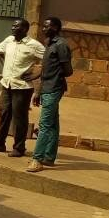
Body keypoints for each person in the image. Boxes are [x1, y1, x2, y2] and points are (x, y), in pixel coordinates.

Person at [0, 18, 44, 157]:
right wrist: (5, 65)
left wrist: (36, 74)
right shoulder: (9, 40)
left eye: (17, 27)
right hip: (7, 84)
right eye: (13, 26)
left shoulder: (34, 45)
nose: (13, 28)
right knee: (4, 114)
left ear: (25, 29)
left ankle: (19, 148)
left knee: (19, 118)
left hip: (22, 87)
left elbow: (49, 59)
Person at [27, 17, 73, 173]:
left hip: (54, 88)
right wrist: (38, 91)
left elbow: (68, 70)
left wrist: (56, 75)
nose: (44, 29)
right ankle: (49, 157)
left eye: (48, 26)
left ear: (56, 27)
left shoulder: (61, 45)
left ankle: (37, 159)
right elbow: (45, 70)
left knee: (45, 124)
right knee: (52, 123)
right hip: (46, 88)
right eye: (44, 26)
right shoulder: (49, 44)